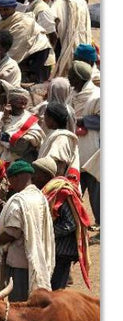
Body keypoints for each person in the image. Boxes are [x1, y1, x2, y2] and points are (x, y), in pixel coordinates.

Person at [0, 160, 55, 301]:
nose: (10, 184)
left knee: (19, 304)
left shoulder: (19, 200)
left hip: (19, 263)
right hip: (37, 259)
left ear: (15, 177)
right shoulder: (40, 197)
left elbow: (12, 232)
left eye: (10, 180)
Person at [33, 156, 90, 292]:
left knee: (55, 290)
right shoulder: (49, 191)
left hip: (62, 251)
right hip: (56, 249)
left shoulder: (61, 193)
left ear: (45, 175)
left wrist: (46, 231)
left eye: (35, 173)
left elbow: (70, 224)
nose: (32, 177)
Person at [0, 0, 54, 82]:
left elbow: (13, 53)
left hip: (38, 56)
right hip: (26, 56)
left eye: (6, 9)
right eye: (0, 10)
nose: (3, 13)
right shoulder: (5, 22)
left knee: (31, 84)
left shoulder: (22, 24)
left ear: (14, 8)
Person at [68, 60, 100, 222]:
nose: (68, 79)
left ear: (79, 78)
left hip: (92, 150)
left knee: (97, 196)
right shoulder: (71, 94)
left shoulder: (97, 95)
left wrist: (81, 120)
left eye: (71, 76)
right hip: (74, 151)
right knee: (74, 194)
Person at [47, 0, 92, 78]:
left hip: (64, 45)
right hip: (82, 45)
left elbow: (51, 24)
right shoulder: (81, 0)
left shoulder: (59, 2)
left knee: (64, 73)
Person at [0, 88, 42, 163]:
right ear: (10, 103)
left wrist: (0, 136)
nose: (23, 107)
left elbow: (22, 145)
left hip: (18, 162)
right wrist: (3, 119)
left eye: (25, 103)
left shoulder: (29, 119)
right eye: (20, 103)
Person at [36, 101, 80, 178]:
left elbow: (60, 166)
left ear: (52, 119)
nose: (44, 118)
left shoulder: (62, 138)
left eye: (45, 115)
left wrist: (53, 183)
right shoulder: (54, 134)